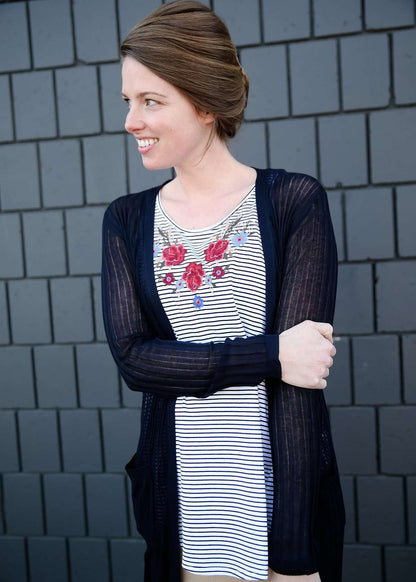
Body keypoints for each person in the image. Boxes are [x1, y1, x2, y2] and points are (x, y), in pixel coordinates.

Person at [101, 2, 346, 581]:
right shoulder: (128, 220)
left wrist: (292, 558)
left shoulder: (293, 203)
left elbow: (298, 392)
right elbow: (136, 360)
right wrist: (270, 355)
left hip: (277, 516)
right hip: (183, 518)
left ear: (206, 103)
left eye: (150, 101)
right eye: (128, 102)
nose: (130, 121)